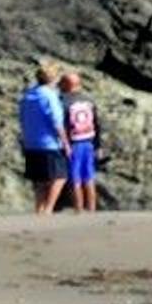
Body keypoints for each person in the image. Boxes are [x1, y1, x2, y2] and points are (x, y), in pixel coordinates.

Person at [16, 60, 69, 215]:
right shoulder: (50, 96)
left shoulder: (28, 95)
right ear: (54, 78)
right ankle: (48, 209)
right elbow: (57, 122)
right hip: (49, 143)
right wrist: (65, 143)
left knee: (39, 181)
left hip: (31, 143)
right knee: (60, 177)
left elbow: (22, 117)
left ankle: (39, 209)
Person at [61, 72, 102, 213]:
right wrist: (98, 145)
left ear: (67, 85)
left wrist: (64, 144)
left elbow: (62, 125)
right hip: (89, 142)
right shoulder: (89, 100)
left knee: (75, 178)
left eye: (62, 82)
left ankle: (78, 210)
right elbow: (96, 123)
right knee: (89, 177)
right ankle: (91, 209)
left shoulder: (63, 102)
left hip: (74, 144)